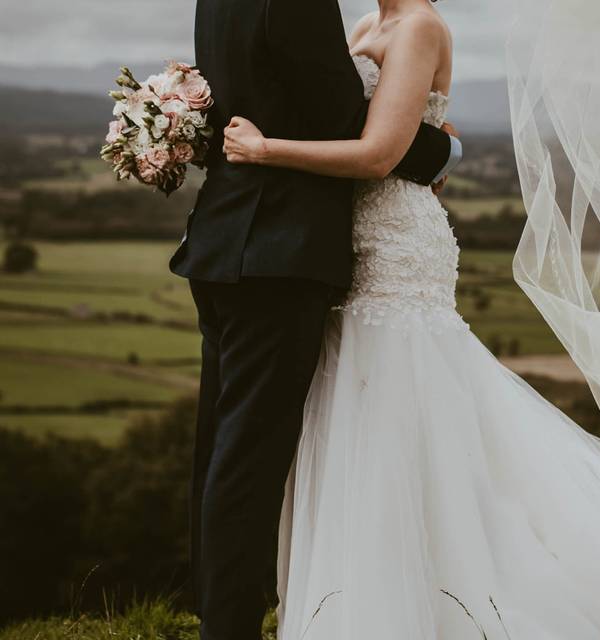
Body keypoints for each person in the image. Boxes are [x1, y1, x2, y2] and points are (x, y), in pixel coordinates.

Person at [222, 1, 600, 638]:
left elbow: (377, 154)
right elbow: (392, 125)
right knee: (356, 410)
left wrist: (266, 151)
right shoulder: (363, 27)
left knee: (402, 400)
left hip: (396, 243)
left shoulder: (422, 26)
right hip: (349, 236)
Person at [171, 0, 460, 638]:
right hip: (279, 249)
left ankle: (247, 612)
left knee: (238, 446)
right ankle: (233, 623)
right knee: (248, 454)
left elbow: (343, 126)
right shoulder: (330, 14)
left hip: (250, 241)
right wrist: (440, 151)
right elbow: (342, 116)